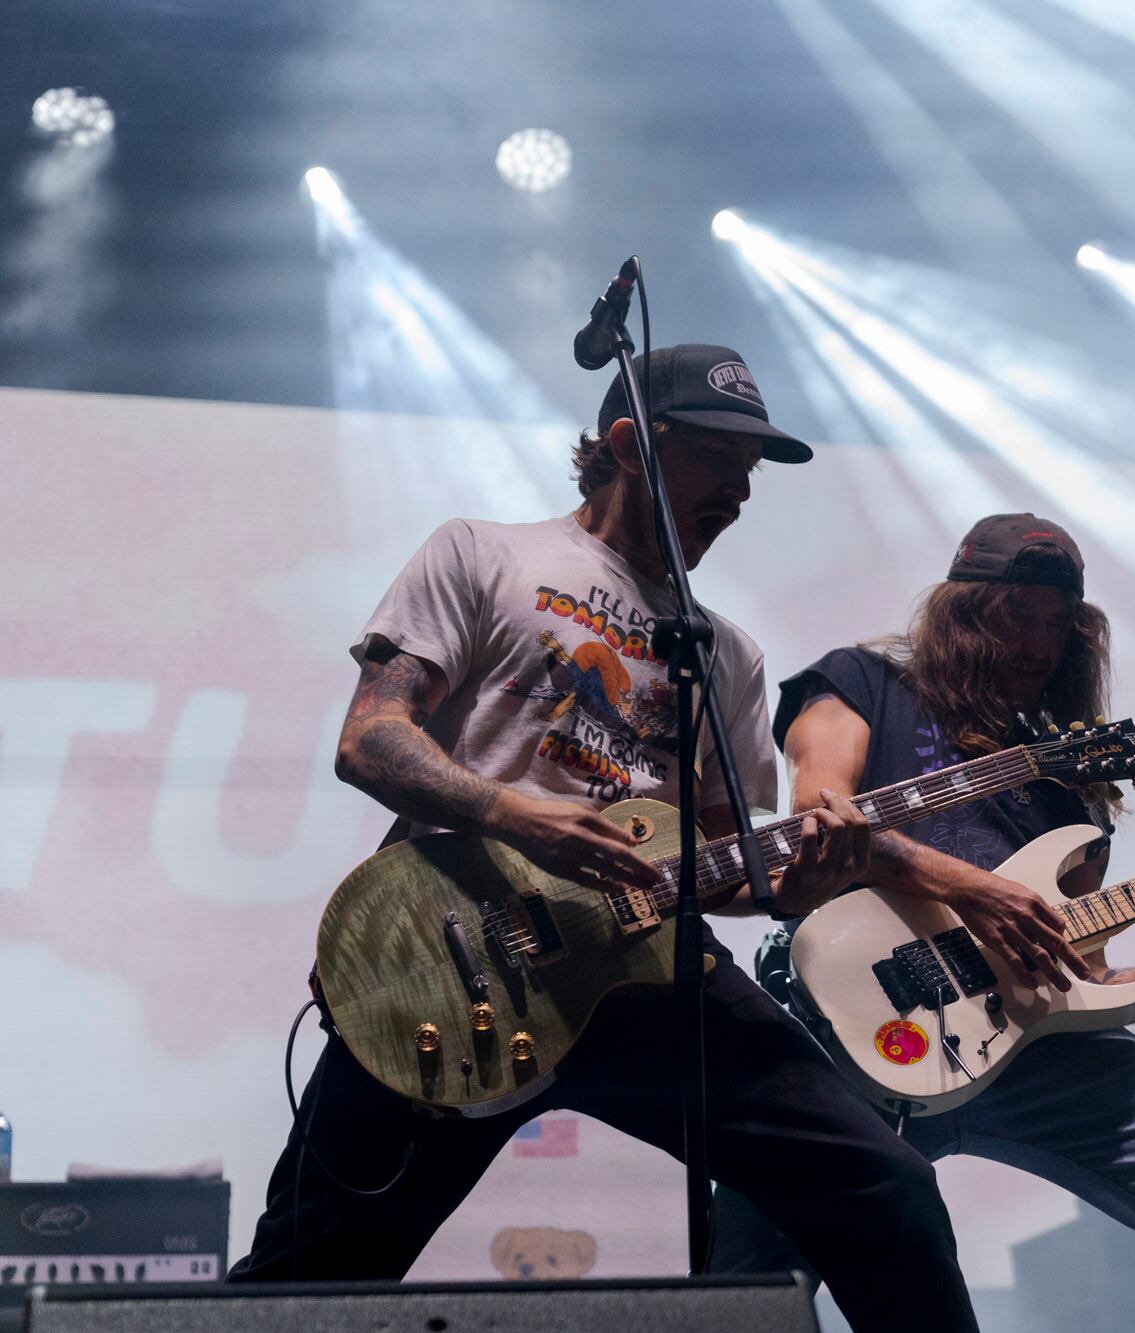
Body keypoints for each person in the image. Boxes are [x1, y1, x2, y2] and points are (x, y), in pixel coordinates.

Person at [229, 344, 980, 1333]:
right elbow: (370, 740)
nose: (741, 492)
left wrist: (805, 880)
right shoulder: (484, 554)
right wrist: (511, 809)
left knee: (879, 1187)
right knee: (310, 1272)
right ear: (630, 445)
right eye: (720, 460)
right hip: (455, 960)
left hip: (651, 972)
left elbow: (729, 866)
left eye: (752, 473)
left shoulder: (725, 654)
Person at [710, 513, 1135, 1333]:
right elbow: (825, 812)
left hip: (1033, 1053)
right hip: (848, 1028)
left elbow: (1088, 985)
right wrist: (972, 889)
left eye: (1058, 625)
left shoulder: (1068, 785)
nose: (1039, 645)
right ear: (963, 615)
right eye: (1015, 618)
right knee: (746, 1285)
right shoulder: (860, 684)